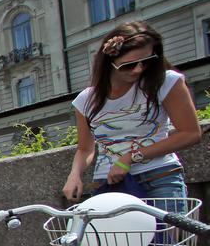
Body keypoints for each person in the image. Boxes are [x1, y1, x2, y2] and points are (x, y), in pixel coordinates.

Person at [63, 21, 202, 203]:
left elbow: (191, 133)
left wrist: (130, 157)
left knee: (165, 224)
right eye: (129, 65)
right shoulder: (86, 100)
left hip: (158, 177)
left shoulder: (165, 82)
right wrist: (74, 175)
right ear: (109, 63)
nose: (139, 69)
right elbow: (85, 149)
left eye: (147, 61)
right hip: (108, 183)